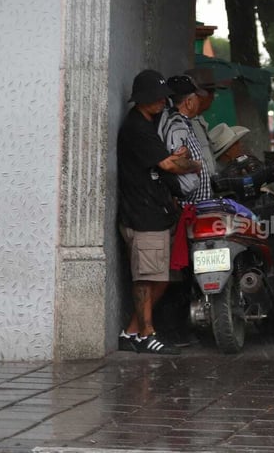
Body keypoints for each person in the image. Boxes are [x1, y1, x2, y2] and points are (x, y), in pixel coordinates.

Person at [117, 69, 201, 355]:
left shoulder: (149, 124)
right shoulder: (136, 128)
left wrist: (175, 161)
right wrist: (192, 165)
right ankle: (146, 333)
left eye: (164, 97)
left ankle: (131, 332)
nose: (163, 102)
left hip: (155, 212)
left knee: (161, 277)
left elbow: (164, 162)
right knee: (146, 278)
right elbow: (167, 166)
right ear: (142, 99)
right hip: (142, 215)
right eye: (157, 97)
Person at [158, 74, 213, 204]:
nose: (199, 102)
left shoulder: (185, 124)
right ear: (188, 102)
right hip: (188, 208)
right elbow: (174, 164)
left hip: (196, 206)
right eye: (196, 98)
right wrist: (196, 166)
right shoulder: (176, 127)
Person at [184, 68, 231, 178]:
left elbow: (209, 165)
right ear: (199, 95)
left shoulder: (199, 121)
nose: (213, 97)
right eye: (211, 92)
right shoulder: (182, 124)